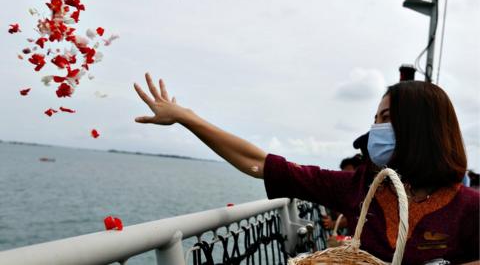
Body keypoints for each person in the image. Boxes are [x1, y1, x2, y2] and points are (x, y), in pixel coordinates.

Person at [133, 74, 479, 264]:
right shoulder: (356, 186)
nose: (375, 130)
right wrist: (187, 118)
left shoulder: (469, 206)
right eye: (374, 119)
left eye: (386, 119)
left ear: (423, 127)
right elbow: (259, 164)